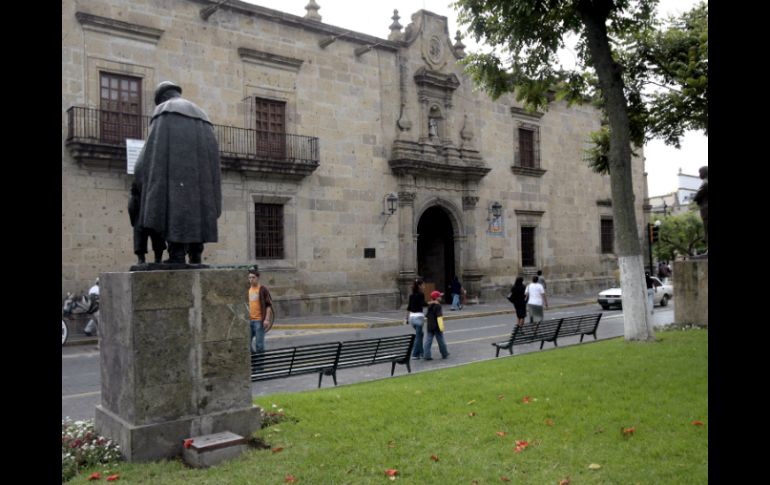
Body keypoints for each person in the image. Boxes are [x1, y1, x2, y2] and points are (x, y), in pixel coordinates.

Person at [131, 81, 222, 265]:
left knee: (174, 209)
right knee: (198, 210)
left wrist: (140, 177)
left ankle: (177, 255)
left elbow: (150, 151)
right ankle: (196, 254)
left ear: (163, 97)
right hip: (200, 180)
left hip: (174, 176)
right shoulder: (203, 117)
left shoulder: (164, 110)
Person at [128, 182, 166, 265]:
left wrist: (133, 221)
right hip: (155, 216)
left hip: (140, 218)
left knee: (140, 239)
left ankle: (141, 260)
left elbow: (131, 205)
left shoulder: (137, 185)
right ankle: (158, 259)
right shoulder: (156, 185)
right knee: (157, 238)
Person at [248, 268, 274, 354]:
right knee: (246, 344)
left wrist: (267, 319)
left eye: (253, 277)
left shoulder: (263, 289)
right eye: (249, 277)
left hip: (259, 321)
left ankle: (260, 363)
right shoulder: (248, 290)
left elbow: (268, 305)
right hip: (249, 321)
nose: (251, 279)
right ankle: (255, 359)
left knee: (259, 345)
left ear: (258, 278)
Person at [423, 290, 449, 360]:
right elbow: (439, 317)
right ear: (436, 298)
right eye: (439, 296)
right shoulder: (438, 306)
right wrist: (441, 327)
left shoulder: (430, 305)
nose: (441, 297)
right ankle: (444, 353)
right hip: (437, 325)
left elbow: (427, 315)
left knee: (428, 341)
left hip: (430, 325)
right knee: (441, 340)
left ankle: (426, 355)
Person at [405, 278, 427, 359]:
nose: (424, 286)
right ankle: (414, 354)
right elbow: (423, 304)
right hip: (419, 318)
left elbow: (409, 307)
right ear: (419, 286)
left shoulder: (411, 295)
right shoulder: (421, 294)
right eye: (423, 285)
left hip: (411, 318)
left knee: (420, 334)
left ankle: (421, 352)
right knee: (418, 336)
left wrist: (406, 318)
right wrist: (432, 302)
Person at [693, 166, 708, 247]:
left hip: (706, 209)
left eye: (700, 172)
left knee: (707, 230)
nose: (699, 175)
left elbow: (696, 197)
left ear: (704, 173)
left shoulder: (705, 183)